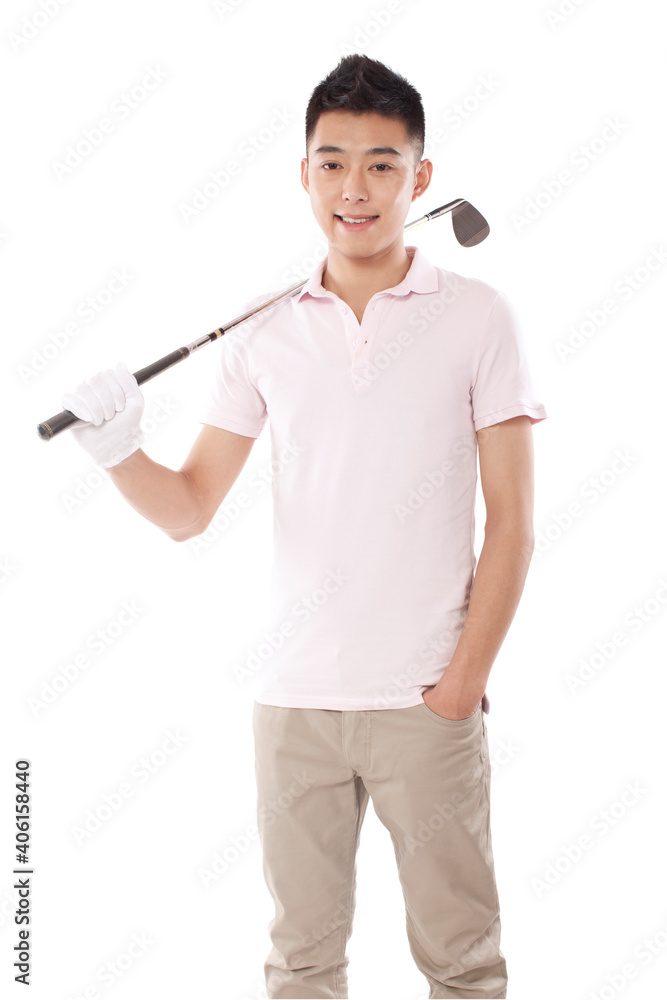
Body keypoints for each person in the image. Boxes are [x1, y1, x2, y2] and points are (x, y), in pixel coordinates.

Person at [62, 54, 547, 1000]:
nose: (353, 188)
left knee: (463, 964)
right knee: (301, 968)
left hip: (423, 701)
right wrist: (117, 450)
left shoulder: (479, 318)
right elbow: (188, 509)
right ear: (303, 174)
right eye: (331, 163)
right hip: (292, 706)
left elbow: (515, 524)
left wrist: (458, 689)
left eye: (379, 163)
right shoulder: (261, 329)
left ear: (421, 178)